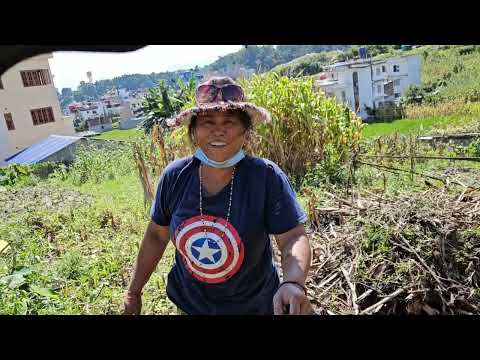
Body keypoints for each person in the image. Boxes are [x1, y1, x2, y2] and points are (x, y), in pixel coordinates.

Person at [123, 76, 312, 315]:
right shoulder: (175, 177)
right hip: (191, 307)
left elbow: (293, 237)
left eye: (230, 121)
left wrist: (293, 282)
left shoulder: (265, 177)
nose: (219, 130)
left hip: (256, 307)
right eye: (208, 122)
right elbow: (156, 236)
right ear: (193, 132)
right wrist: (133, 292)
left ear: (246, 131)